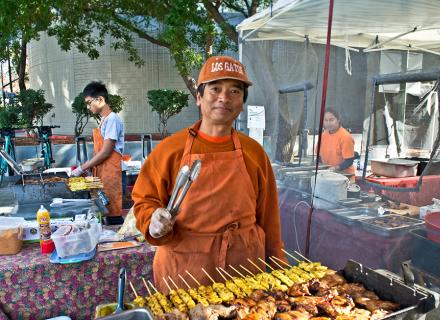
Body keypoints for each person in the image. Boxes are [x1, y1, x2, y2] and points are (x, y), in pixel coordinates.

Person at [132, 55, 286, 291]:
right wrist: (153, 220)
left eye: (235, 91)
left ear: (242, 102)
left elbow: (269, 218)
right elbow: (144, 201)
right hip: (186, 269)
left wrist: (278, 269)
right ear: (199, 97)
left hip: (244, 268)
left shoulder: (254, 152)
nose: (224, 98)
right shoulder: (169, 150)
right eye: (215, 89)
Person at [71, 81, 125, 225]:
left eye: (89, 103)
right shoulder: (104, 120)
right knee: (105, 207)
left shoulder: (112, 120)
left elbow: (106, 151)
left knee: (113, 212)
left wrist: (82, 167)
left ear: (100, 99)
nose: (88, 107)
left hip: (110, 171)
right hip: (102, 170)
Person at [319, 108, 356, 181]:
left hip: (345, 178)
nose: (328, 123)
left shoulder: (345, 137)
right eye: (326, 120)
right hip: (328, 176)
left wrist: (334, 168)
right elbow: (319, 156)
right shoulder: (323, 135)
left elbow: (349, 161)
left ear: (338, 120)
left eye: (331, 120)